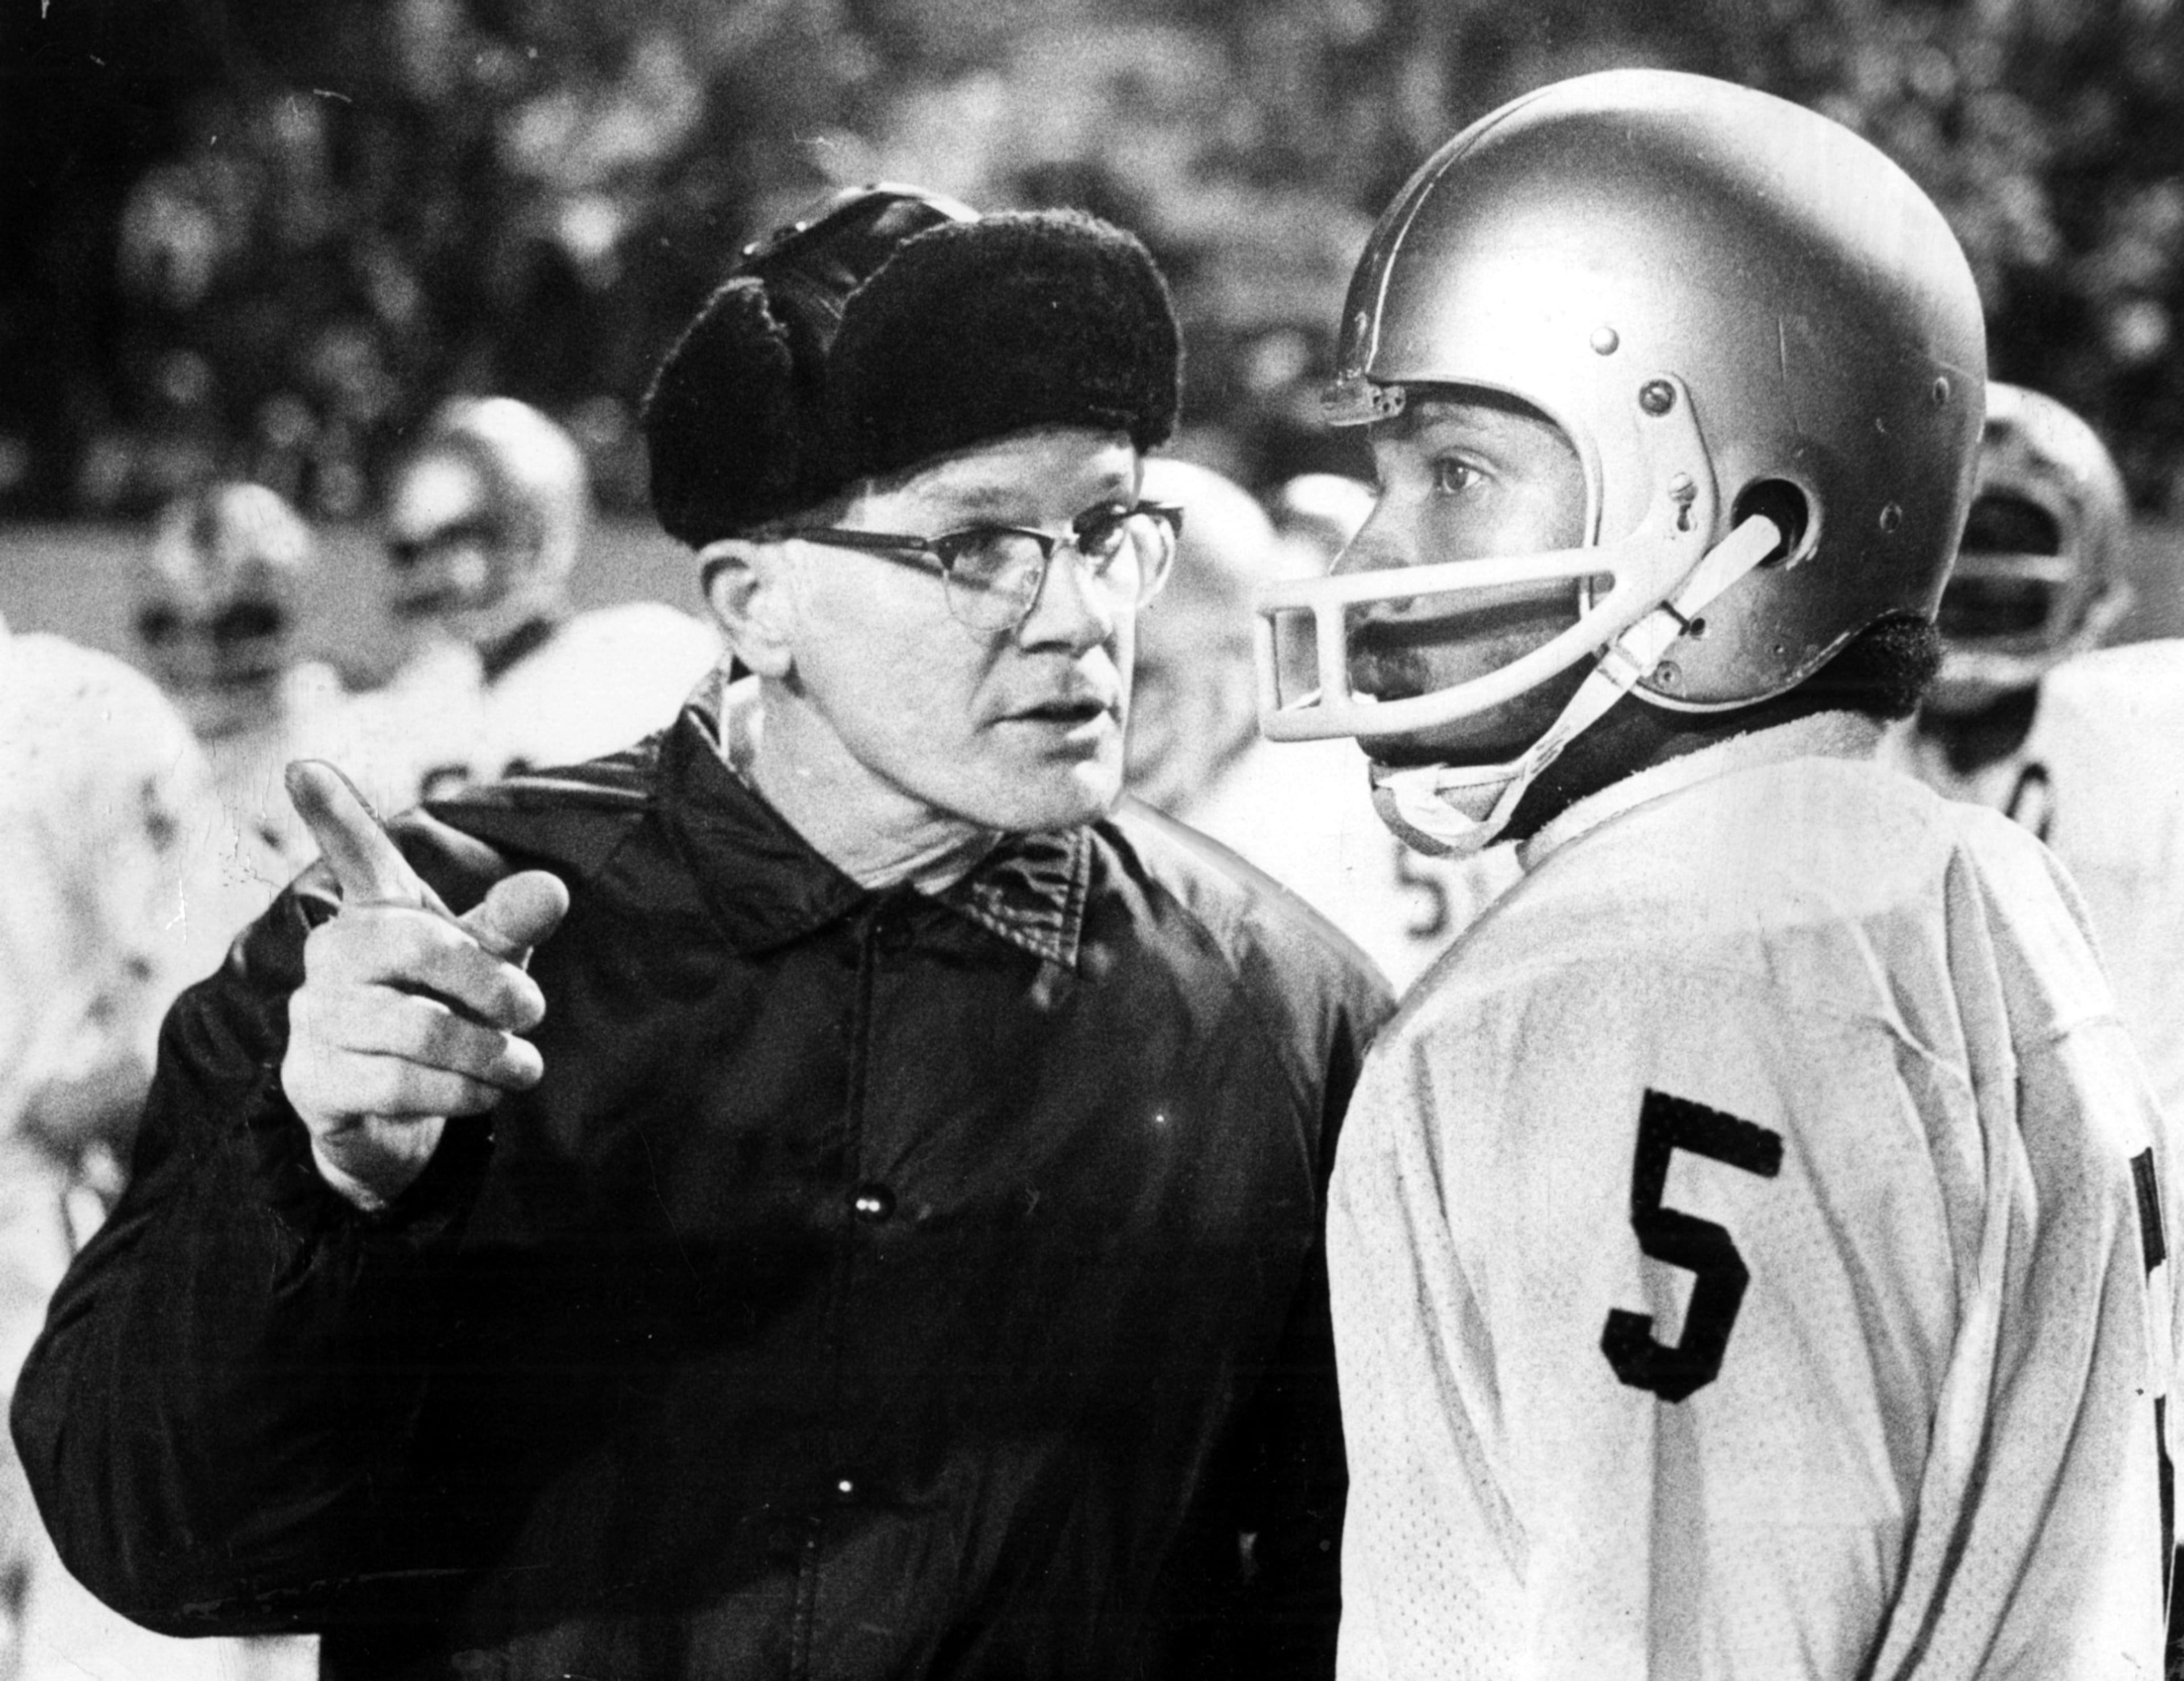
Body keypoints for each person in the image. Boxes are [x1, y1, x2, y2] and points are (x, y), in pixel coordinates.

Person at [14, 185, 1390, 1680]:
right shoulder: (416, 946)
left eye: (1110, 526)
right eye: (978, 546)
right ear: (755, 601)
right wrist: (323, 1183)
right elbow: (157, 1542)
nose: (1078, 615)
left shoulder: (1284, 1018)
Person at [1250, 70, 2182, 1676]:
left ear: (1748, 517)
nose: (1370, 561)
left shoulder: (1644, 972)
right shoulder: (1956, 884)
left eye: (1459, 472)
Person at [0, 614, 287, 1679]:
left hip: (48, 1230)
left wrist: (86, 1105)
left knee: (109, 1637)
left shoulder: (76, 710)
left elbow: (213, 978)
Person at [1885, 382, 2184, 1122]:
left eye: (2003, 535)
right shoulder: (1827, 759)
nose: (1967, 577)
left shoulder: (2151, 748)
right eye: (1950, 538)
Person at [1126, 459, 1515, 988]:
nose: (1113, 710)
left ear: (1234, 668)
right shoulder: (1389, 744)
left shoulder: (1232, 845)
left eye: (1140, 676)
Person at [138, 481, 473, 884]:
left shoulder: (363, 736)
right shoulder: (134, 745)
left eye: (238, 625)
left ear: (293, 613)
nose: (202, 655)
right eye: (169, 627)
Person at [382, 395, 721, 782]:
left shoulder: (646, 654)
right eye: (421, 549)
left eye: (475, 539)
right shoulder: (418, 695)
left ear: (539, 530)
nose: (448, 572)